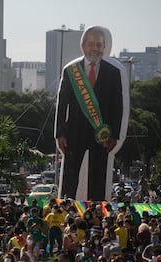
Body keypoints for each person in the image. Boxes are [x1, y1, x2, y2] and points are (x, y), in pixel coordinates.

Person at [55, 25, 126, 201]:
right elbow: (62, 104)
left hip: (102, 134)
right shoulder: (71, 71)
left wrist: (115, 134)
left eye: (99, 45)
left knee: (98, 178)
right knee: (70, 178)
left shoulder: (114, 72)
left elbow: (118, 106)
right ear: (83, 45)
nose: (95, 48)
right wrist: (60, 133)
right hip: (74, 133)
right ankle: (66, 208)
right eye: (91, 44)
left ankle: (97, 214)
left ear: (104, 47)